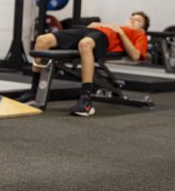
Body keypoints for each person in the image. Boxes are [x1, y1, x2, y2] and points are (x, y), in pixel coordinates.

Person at [18, 11, 151, 117]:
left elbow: (135, 56)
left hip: (104, 38)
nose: (132, 20)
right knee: (42, 40)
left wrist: (120, 32)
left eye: (137, 20)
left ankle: (86, 99)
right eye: (131, 17)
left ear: (143, 29)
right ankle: (34, 91)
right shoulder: (115, 27)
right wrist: (101, 25)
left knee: (85, 44)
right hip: (91, 31)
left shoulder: (140, 35)